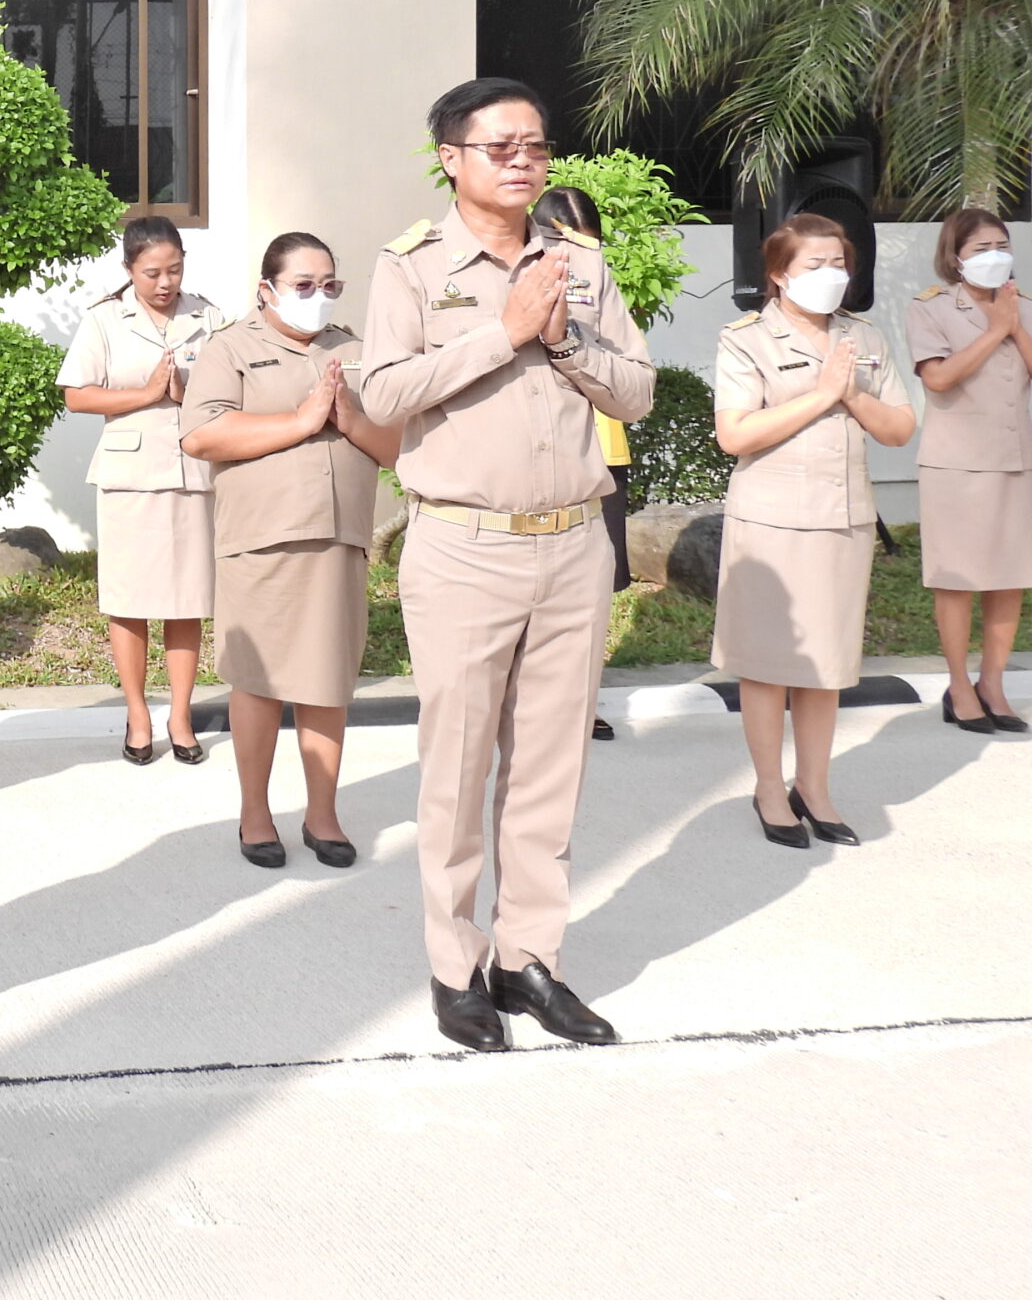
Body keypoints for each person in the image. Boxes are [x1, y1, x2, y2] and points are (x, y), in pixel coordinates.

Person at [359, 78, 654, 1053]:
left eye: (536, 145)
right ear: (452, 159)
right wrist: (505, 333)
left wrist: (561, 337)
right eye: (501, 147)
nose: (524, 160)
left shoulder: (580, 264)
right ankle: (456, 970)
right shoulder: (410, 268)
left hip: (572, 542)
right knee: (455, 770)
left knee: (548, 767)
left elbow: (636, 391)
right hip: (463, 546)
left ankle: (529, 961)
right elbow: (384, 394)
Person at [179, 234, 399, 869]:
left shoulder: (355, 351)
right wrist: (300, 423)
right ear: (266, 289)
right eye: (303, 285)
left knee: (327, 678)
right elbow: (202, 434)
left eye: (330, 285)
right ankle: (255, 813)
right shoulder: (230, 348)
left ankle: (322, 814)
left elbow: (399, 448)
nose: (318, 296)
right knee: (260, 681)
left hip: (338, 537)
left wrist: (350, 420)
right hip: (261, 539)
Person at [714, 215, 917, 847]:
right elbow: (735, 434)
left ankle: (815, 786)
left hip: (841, 520)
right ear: (779, 275)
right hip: (770, 522)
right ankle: (769, 788)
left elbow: (900, 428)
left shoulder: (863, 336)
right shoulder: (747, 339)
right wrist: (823, 394)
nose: (832, 275)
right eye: (814, 265)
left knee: (827, 664)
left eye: (839, 264)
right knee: (766, 665)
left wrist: (851, 394)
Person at [58, 217, 226, 764]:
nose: (165, 282)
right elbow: (77, 395)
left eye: (174, 270)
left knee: (187, 600)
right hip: (129, 478)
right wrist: (146, 393)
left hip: (191, 474)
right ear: (129, 269)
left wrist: (185, 393)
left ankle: (180, 715)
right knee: (128, 600)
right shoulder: (105, 319)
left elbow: (233, 391)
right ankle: (136, 713)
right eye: (152, 272)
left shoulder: (208, 317)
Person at [905, 207, 1032, 735]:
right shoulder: (931, 307)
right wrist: (994, 331)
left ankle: (993, 684)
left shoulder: (1022, 306)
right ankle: (959, 686)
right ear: (955, 257)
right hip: (955, 465)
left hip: (1015, 460)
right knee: (957, 580)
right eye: (982, 249)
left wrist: (1014, 325)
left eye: (1002, 246)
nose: (995, 256)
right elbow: (938, 378)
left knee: (1010, 578)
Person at [535, 184, 632, 744]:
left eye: (590, 243)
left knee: (595, 591)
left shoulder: (601, 284)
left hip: (604, 453)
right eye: (569, 243)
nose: (580, 255)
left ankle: (583, 701)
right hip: (548, 456)